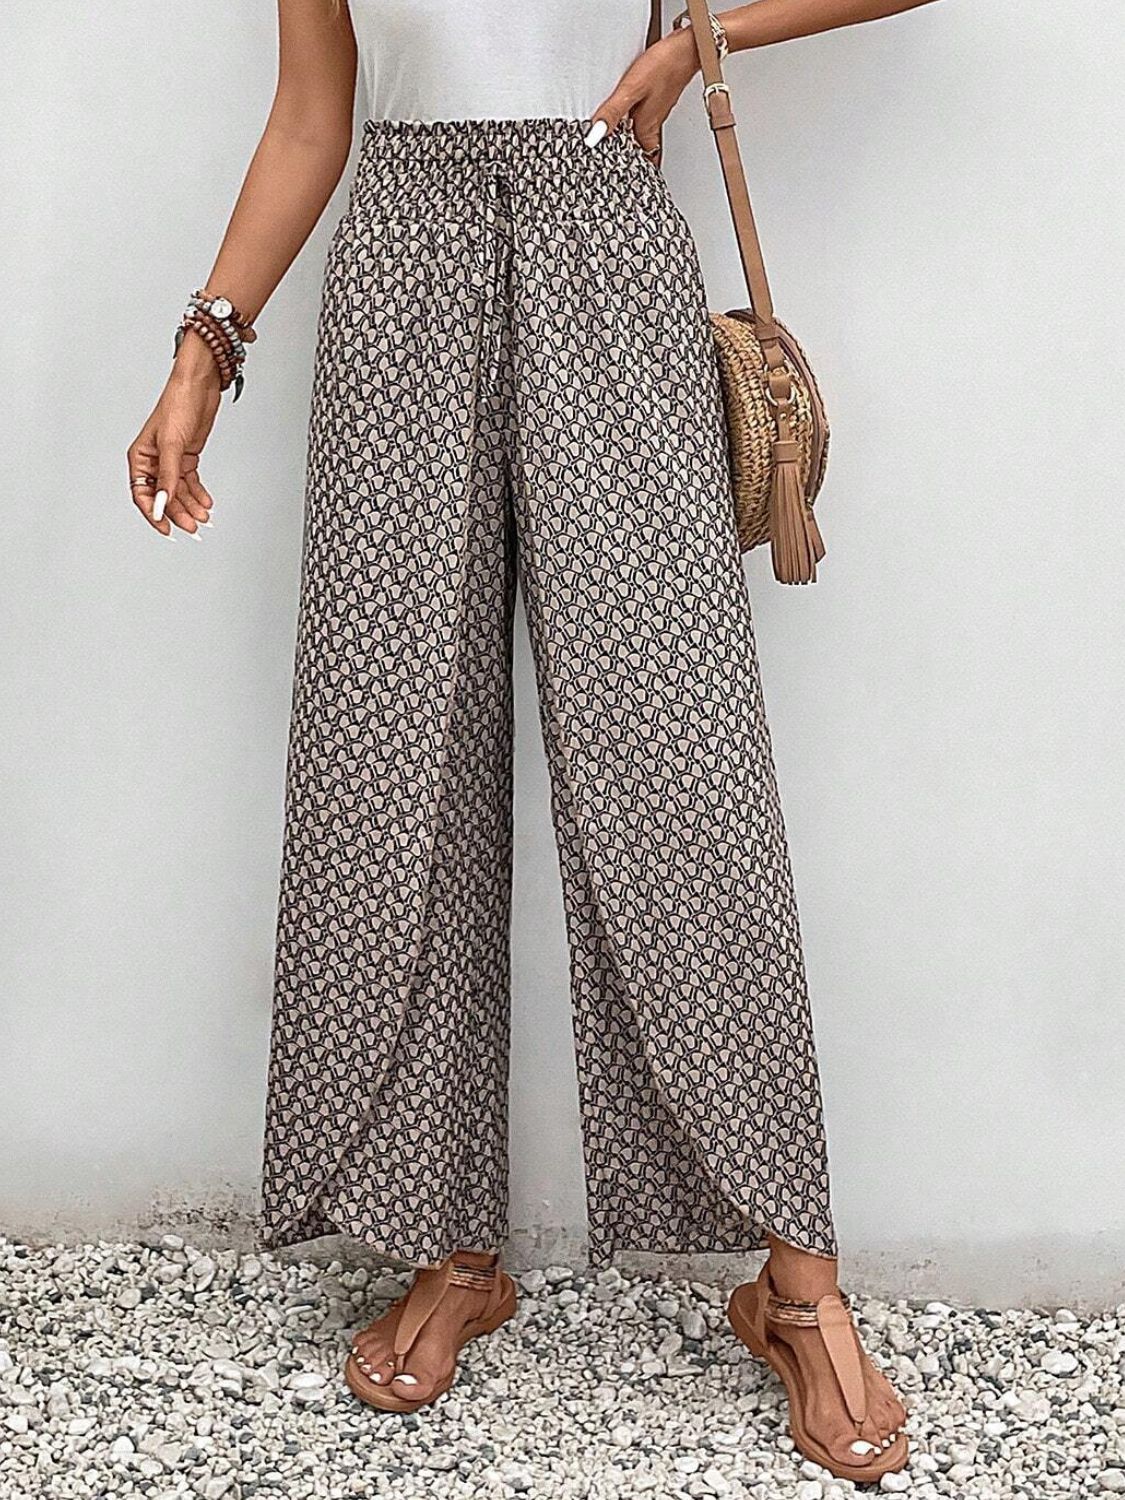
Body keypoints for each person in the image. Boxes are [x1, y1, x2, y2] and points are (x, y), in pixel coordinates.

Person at [127, 0, 939, 1482]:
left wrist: (698, 41)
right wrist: (204, 350)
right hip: (399, 270)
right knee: (397, 763)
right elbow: (312, 114)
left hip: (602, 254)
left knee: (678, 765)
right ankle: (449, 1242)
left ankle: (797, 1284)